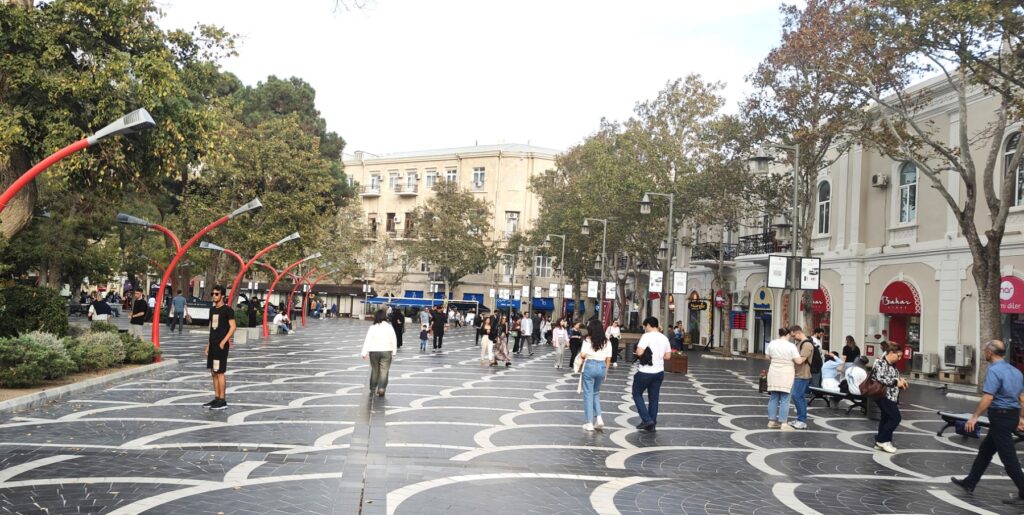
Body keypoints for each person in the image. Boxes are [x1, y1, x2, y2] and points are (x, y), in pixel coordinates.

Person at [950, 340, 1024, 506]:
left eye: (985, 350)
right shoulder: (1016, 371)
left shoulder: (994, 371)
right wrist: (1021, 418)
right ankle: (970, 482)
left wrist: (975, 416)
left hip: (1000, 418)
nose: (984, 352)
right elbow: (1022, 398)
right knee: (985, 450)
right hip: (1010, 416)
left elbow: (988, 397)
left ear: (990, 352)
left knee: (1008, 457)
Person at [633, 317, 672, 432]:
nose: (645, 328)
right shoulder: (664, 338)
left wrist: (641, 353)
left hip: (645, 371)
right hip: (659, 372)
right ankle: (652, 424)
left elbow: (639, 352)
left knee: (637, 393)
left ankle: (646, 419)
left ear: (649, 325)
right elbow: (668, 356)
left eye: (645, 326)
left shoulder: (646, 336)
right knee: (654, 398)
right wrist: (658, 356)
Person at [202, 286, 235, 410]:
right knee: (213, 372)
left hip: (221, 346)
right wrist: (208, 345)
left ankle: (222, 400)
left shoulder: (228, 310)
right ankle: (216, 398)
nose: (214, 295)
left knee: (220, 371)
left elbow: (233, 327)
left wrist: (223, 342)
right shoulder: (212, 310)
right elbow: (212, 329)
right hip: (213, 345)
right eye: (213, 293)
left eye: (217, 293)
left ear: (222, 296)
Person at [872, 344, 909, 453]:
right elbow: (880, 378)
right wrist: (896, 382)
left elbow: (893, 377)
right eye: (898, 356)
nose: (899, 358)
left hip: (891, 396)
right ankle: (881, 440)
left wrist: (901, 381)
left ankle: (884, 441)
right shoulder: (880, 363)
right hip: (883, 395)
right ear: (891, 353)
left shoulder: (892, 365)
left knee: (886, 418)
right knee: (895, 418)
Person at [766, 327, 804, 431]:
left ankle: (771, 421)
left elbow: (767, 357)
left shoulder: (772, 343)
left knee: (773, 397)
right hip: (786, 373)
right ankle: (783, 423)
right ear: (787, 335)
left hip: (774, 371)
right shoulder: (791, 346)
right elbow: (799, 361)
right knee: (785, 399)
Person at [580, 319, 612, 431]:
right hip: (602, 366)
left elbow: (583, 355)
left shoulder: (587, 340)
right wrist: (606, 372)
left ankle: (589, 423)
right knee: (596, 393)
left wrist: (586, 355)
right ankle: (599, 418)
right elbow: (609, 358)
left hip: (590, 365)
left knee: (588, 394)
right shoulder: (607, 341)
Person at [361, 309, 398, 397]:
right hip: (386, 351)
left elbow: (368, 340)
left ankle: (373, 388)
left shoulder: (373, 327)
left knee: (375, 370)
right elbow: (394, 339)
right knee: (384, 371)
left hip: (374, 351)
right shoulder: (389, 327)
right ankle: (381, 388)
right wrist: (394, 351)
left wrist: (364, 352)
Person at [785, 325, 814, 430]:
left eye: (793, 335)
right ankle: (800, 419)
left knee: (797, 396)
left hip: (802, 375)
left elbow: (801, 360)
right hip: (798, 374)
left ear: (798, 333)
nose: (793, 338)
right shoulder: (800, 343)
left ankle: (801, 421)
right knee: (799, 397)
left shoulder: (806, 345)